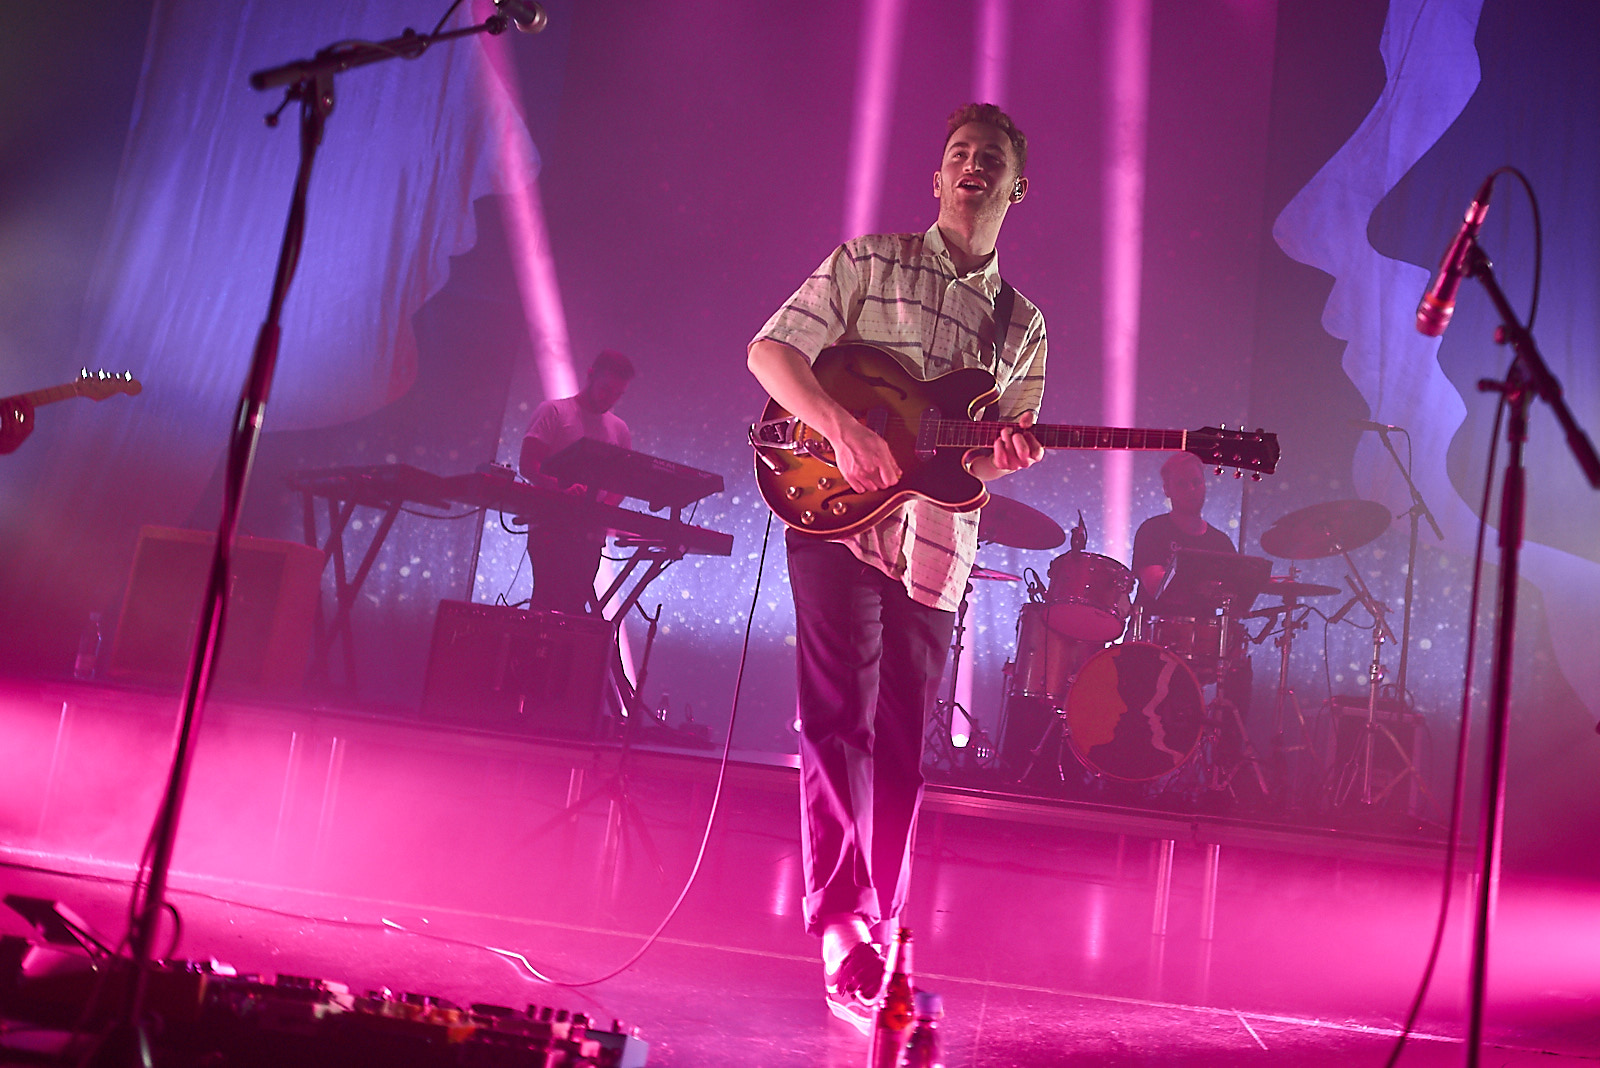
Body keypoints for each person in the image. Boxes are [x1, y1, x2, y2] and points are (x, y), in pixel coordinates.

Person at [747, 103, 1047, 1032]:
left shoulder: (1024, 323)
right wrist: (839, 428)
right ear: (937, 177)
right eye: (956, 152)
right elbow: (770, 350)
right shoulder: (870, 260)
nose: (969, 165)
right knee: (836, 717)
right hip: (834, 516)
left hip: (935, 545)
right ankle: (844, 929)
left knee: (907, 743)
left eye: (987, 158)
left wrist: (1010, 456)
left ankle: (876, 918)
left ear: (1014, 187)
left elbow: (985, 456)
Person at [518, 350, 635, 615]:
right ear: (590, 375)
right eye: (606, 389)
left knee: (573, 605)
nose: (611, 399)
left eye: (618, 394)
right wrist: (560, 490)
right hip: (550, 525)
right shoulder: (554, 411)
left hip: (590, 533)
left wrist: (603, 508)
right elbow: (528, 464)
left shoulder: (619, 429)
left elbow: (622, 483)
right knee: (549, 602)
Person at [1130, 451, 1237, 616]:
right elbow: (1156, 587)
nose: (1191, 489)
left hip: (1203, 638)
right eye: (1182, 484)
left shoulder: (1221, 542)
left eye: (1196, 482)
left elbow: (1236, 597)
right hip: (1151, 635)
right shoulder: (1152, 530)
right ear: (1167, 490)